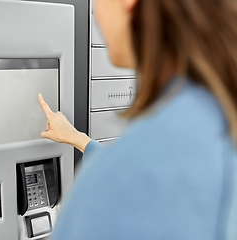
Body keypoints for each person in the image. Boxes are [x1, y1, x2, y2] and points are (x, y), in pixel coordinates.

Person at [38, 0, 237, 239]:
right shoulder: (218, 120)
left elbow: (140, 181)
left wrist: (112, 169)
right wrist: (80, 140)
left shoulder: (122, 180)